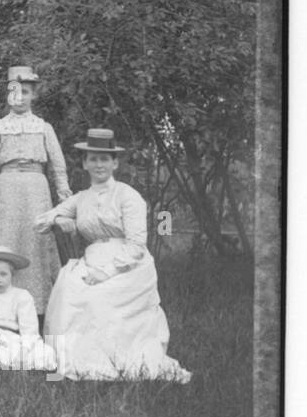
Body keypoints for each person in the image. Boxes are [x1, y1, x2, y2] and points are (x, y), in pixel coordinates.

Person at [33, 129, 191, 382]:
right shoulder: (81, 198)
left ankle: (114, 361)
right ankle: (77, 362)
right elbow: (40, 222)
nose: (99, 165)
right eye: (93, 159)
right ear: (85, 163)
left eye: (104, 159)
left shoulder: (128, 196)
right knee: (68, 288)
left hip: (128, 265)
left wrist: (105, 272)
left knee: (99, 298)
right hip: (91, 259)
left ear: (115, 163)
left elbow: (137, 245)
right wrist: (61, 218)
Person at [0, 66, 72, 325]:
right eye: (14, 92)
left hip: (36, 190)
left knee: (38, 243)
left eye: (26, 92)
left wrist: (64, 204)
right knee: (6, 244)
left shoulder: (44, 127)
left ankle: (41, 310)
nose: (19, 98)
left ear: (33, 96)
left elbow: (58, 166)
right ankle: (1, 312)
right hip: (6, 190)